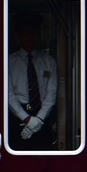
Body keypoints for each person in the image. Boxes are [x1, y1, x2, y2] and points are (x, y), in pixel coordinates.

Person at [7, 13, 57, 149]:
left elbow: (51, 95)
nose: (32, 36)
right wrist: (26, 118)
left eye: (35, 32)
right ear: (18, 36)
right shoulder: (9, 62)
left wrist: (39, 119)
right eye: (27, 32)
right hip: (17, 116)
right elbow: (8, 95)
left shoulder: (48, 61)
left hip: (42, 116)